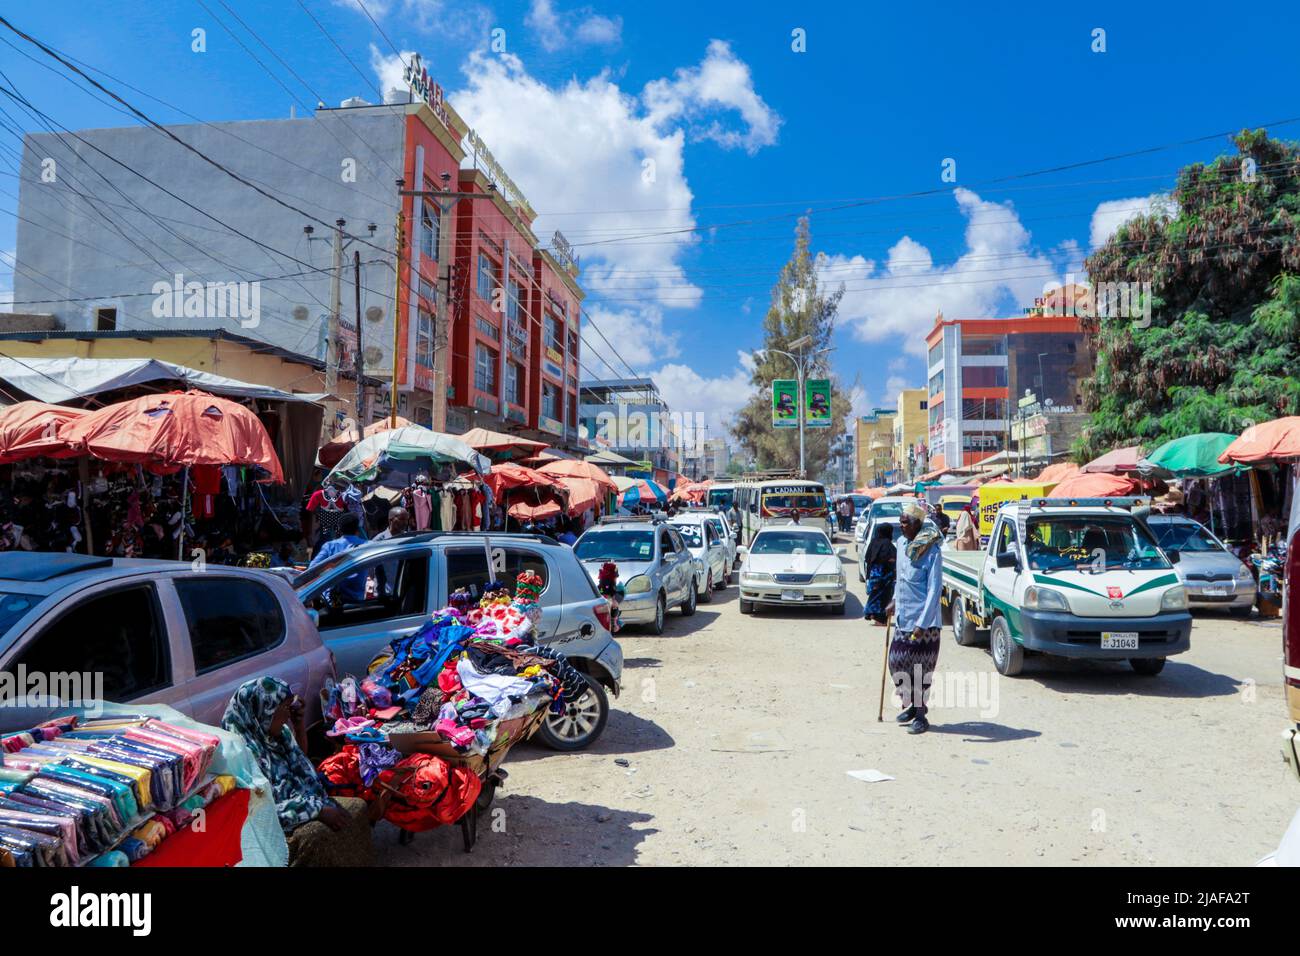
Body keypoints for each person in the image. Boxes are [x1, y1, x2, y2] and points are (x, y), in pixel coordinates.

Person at [221, 676, 375, 867]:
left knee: (356, 808)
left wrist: (299, 725)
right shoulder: (239, 753)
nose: (288, 715)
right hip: (272, 828)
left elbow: (300, 761)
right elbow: (258, 813)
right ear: (263, 710)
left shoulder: (276, 734)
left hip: (299, 802)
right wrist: (315, 811)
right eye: (284, 708)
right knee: (317, 835)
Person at [885, 500, 944, 735]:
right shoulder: (900, 544)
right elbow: (901, 579)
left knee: (920, 670)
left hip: (925, 623)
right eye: (900, 523)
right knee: (896, 661)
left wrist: (922, 623)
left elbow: (934, 589)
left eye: (905, 523)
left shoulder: (932, 551)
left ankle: (920, 715)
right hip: (903, 617)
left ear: (918, 524)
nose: (902, 527)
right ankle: (912, 703)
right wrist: (894, 601)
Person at [308, 513, 368, 602]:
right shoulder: (367, 546)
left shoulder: (330, 546)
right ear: (357, 529)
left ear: (339, 529)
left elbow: (312, 569)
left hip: (333, 601)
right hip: (357, 601)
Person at [862, 523, 896, 625]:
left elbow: (868, 558)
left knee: (875, 596)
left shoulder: (873, 542)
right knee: (883, 597)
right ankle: (879, 619)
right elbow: (890, 558)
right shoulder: (887, 543)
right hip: (884, 576)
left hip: (873, 575)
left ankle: (874, 615)